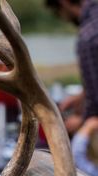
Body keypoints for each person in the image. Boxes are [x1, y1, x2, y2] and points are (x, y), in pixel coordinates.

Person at [45, 0, 98, 134]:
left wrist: (80, 121)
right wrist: (83, 95)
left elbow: (96, 104)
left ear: (64, 3)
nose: (63, 18)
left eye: (58, 13)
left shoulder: (89, 37)